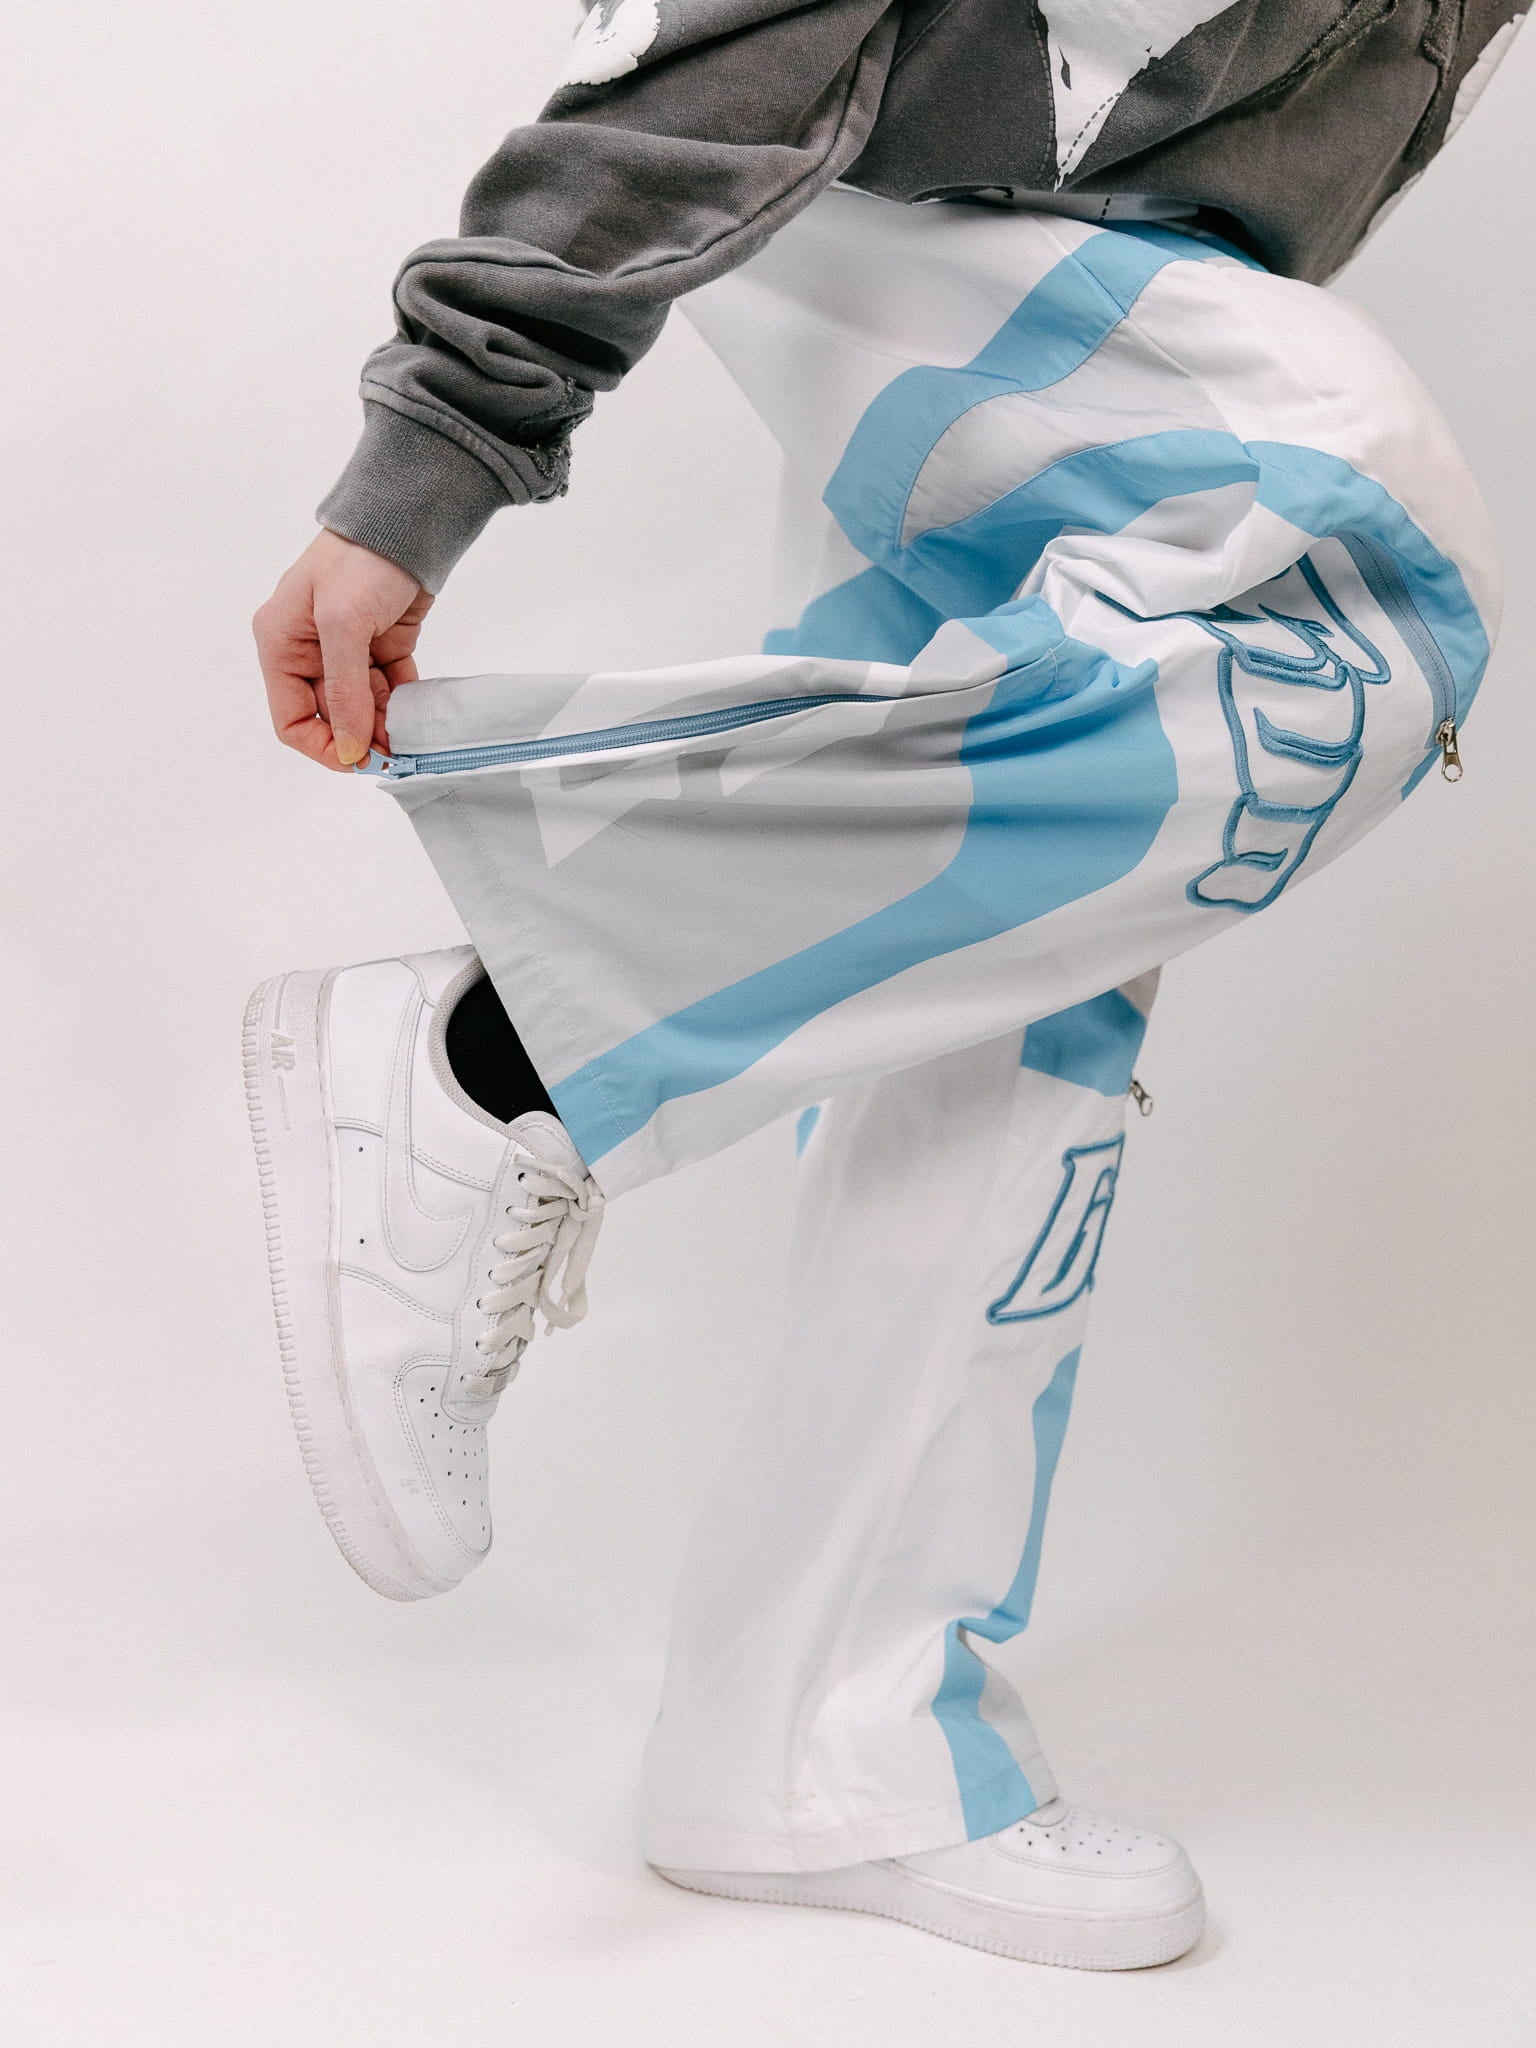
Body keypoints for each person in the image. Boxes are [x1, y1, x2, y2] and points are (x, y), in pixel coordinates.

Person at [248, 0, 1521, 1970]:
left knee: (1010, 960)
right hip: (898, 197)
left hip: (1079, 246)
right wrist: (435, 449)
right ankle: (500, 1057)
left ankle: (821, 1744)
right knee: (1350, 579)